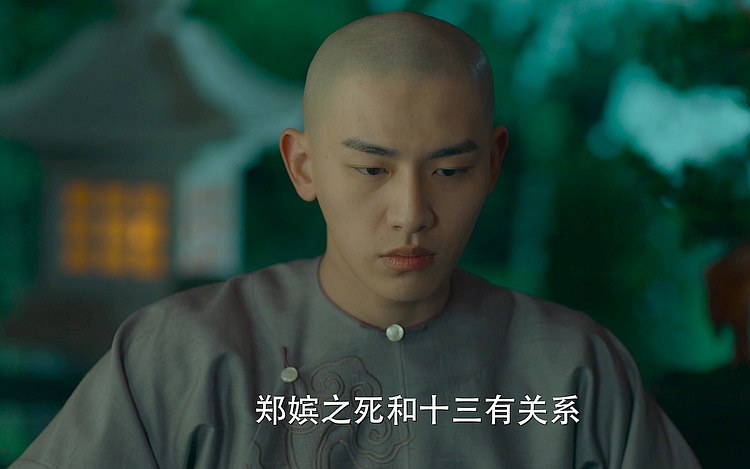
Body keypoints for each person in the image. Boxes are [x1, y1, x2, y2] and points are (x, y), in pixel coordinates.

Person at [11, 11, 700, 469]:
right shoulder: (183, 354)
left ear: (492, 164)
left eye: (449, 171)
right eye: (371, 170)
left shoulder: (573, 370)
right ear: (303, 165)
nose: (410, 213)